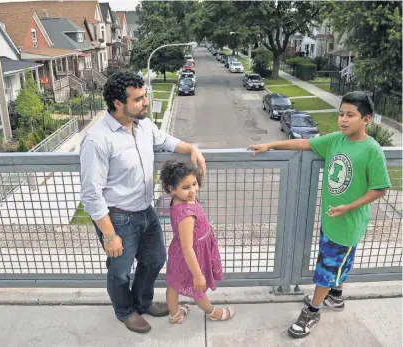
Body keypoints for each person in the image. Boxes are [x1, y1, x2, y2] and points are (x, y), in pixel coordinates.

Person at [247, 91, 391, 339]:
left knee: (326, 268)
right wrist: (271, 144)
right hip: (331, 219)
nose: (343, 120)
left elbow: (380, 189)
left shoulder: (372, 149)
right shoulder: (336, 140)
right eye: (341, 114)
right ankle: (335, 296)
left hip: (348, 222)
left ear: (366, 120)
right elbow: (305, 144)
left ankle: (312, 310)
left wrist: (348, 207)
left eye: (350, 115)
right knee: (337, 262)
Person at [79, 71, 206, 334]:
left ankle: (142, 302)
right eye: (138, 99)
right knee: (120, 272)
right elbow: (92, 195)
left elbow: (166, 141)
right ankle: (125, 311)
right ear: (118, 103)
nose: (145, 102)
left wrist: (191, 148)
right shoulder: (97, 139)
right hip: (118, 218)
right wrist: (109, 234)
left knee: (155, 259)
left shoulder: (143, 126)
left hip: (146, 211)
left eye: (144, 96)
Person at [159, 160, 235, 324]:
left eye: (194, 184)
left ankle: (175, 314)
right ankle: (213, 312)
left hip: (178, 253)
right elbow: (187, 247)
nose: (193, 191)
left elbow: (192, 180)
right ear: (172, 189)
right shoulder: (186, 213)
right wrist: (198, 275)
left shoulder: (179, 200)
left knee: (173, 284)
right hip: (191, 256)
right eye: (186, 188)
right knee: (198, 289)